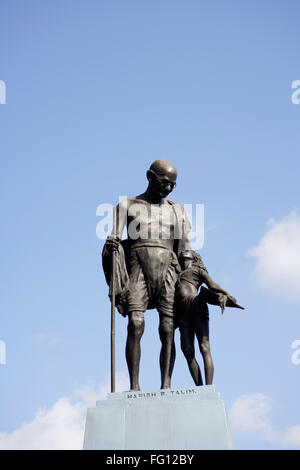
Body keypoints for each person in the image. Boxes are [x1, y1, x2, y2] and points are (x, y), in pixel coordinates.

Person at [102, 159, 192, 391]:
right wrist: (111, 246)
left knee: (167, 328)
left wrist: (190, 281)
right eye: (164, 182)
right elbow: (114, 239)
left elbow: (184, 250)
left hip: (169, 268)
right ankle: (134, 386)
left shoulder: (177, 210)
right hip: (137, 264)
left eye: (173, 185)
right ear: (149, 176)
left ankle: (166, 385)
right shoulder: (127, 206)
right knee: (135, 322)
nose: (168, 188)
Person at [175, 249, 243, 386]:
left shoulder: (198, 271)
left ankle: (208, 386)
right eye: (182, 260)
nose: (184, 262)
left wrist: (225, 293)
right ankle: (199, 387)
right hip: (184, 315)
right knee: (187, 351)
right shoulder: (177, 276)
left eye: (186, 259)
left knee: (204, 347)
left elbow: (212, 285)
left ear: (193, 260)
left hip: (197, 306)